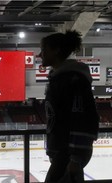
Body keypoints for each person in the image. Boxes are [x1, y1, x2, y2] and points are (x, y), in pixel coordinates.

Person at [40, 30, 99, 183]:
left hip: (68, 154)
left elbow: (84, 117)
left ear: (56, 50)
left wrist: (76, 158)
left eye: (44, 50)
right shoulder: (60, 78)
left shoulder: (74, 80)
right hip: (62, 152)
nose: (40, 54)